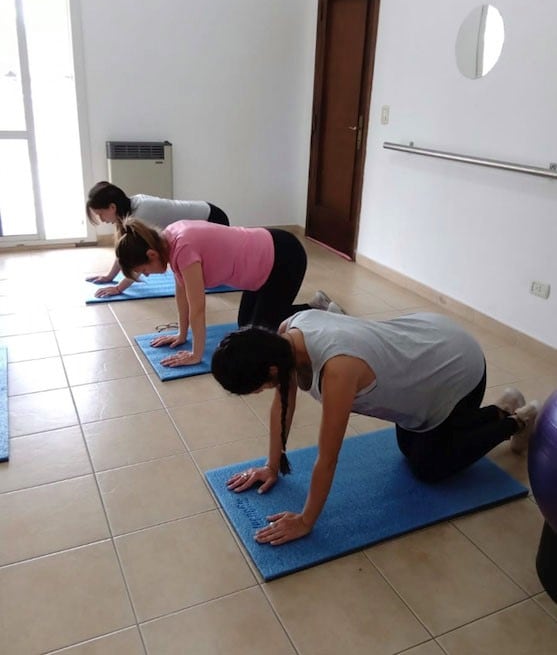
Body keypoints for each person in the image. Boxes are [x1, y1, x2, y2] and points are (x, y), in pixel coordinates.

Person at [210, 310, 540, 546]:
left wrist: (306, 520)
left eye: (258, 388)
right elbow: (283, 403)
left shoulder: (338, 370)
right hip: (426, 343)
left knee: (429, 467)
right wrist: (271, 466)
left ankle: (517, 420)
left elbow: (328, 457)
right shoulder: (287, 332)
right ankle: (500, 408)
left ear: (269, 370)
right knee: (411, 446)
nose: (263, 393)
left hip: (456, 365)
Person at [115, 217, 341, 368]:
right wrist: (182, 335)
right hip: (262, 265)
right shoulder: (167, 240)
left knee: (258, 339)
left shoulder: (182, 247)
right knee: (246, 325)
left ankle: (318, 313)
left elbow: (198, 307)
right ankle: (317, 305)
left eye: (142, 270)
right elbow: (182, 294)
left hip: (283, 257)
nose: (145, 275)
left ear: (151, 254)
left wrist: (196, 355)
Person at [85, 181, 230, 297]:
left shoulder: (140, 216)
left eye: (100, 214)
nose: (102, 220)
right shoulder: (130, 206)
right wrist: (110, 276)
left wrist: (118, 288)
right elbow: (125, 252)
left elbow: (139, 259)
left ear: (112, 207)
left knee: (210, 278)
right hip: (206, 215)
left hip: (213, 218)